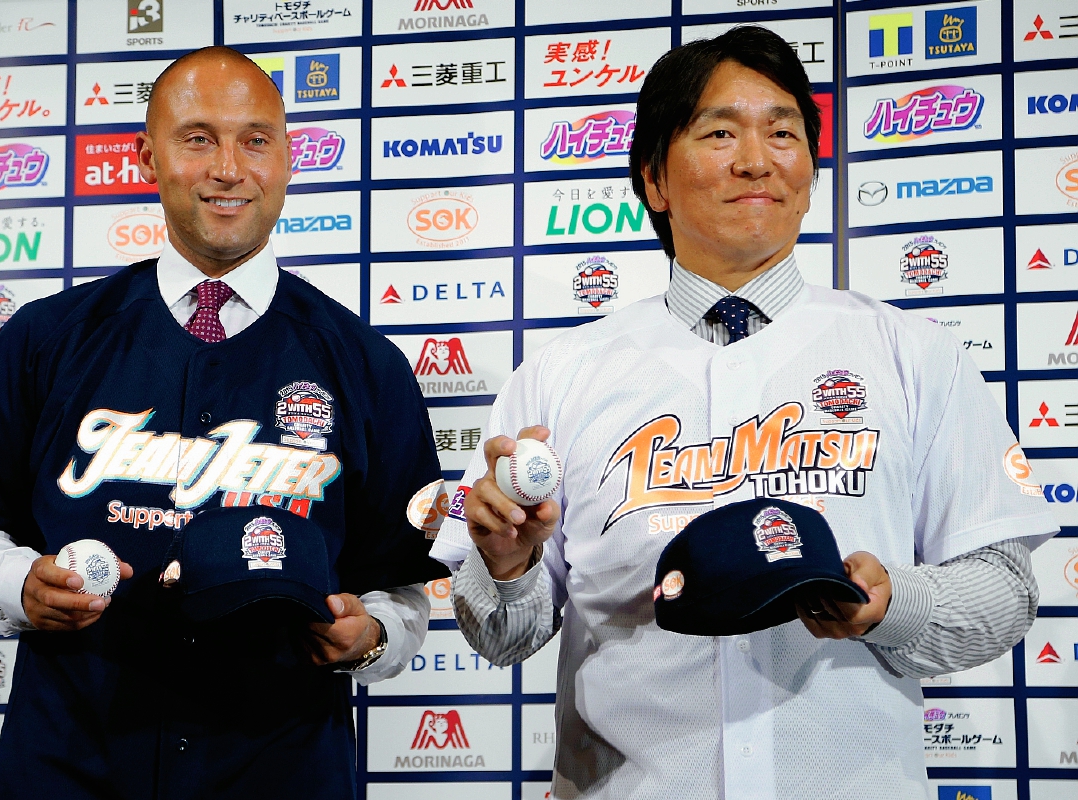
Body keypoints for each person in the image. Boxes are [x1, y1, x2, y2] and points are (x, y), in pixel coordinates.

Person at [430, 26, 1057, 800]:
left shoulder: (914, 352)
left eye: (783, 132)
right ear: (655, 178)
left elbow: (1004, 588)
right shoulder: (558, 378)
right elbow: (502, 635)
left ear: (811, 170)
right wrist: (507, 564)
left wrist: (892, 603)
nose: (757, 160)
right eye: (720, 132)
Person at [0, 46, 447, 799]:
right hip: (72, 761)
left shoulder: (367, 364)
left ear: (289, 159)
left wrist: (370, 640)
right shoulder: (44, 339)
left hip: (283, 766)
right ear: (147, 157)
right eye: (198, 137)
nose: (229, 167)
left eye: (255, 140)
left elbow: (399, 587)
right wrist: (20, 586)